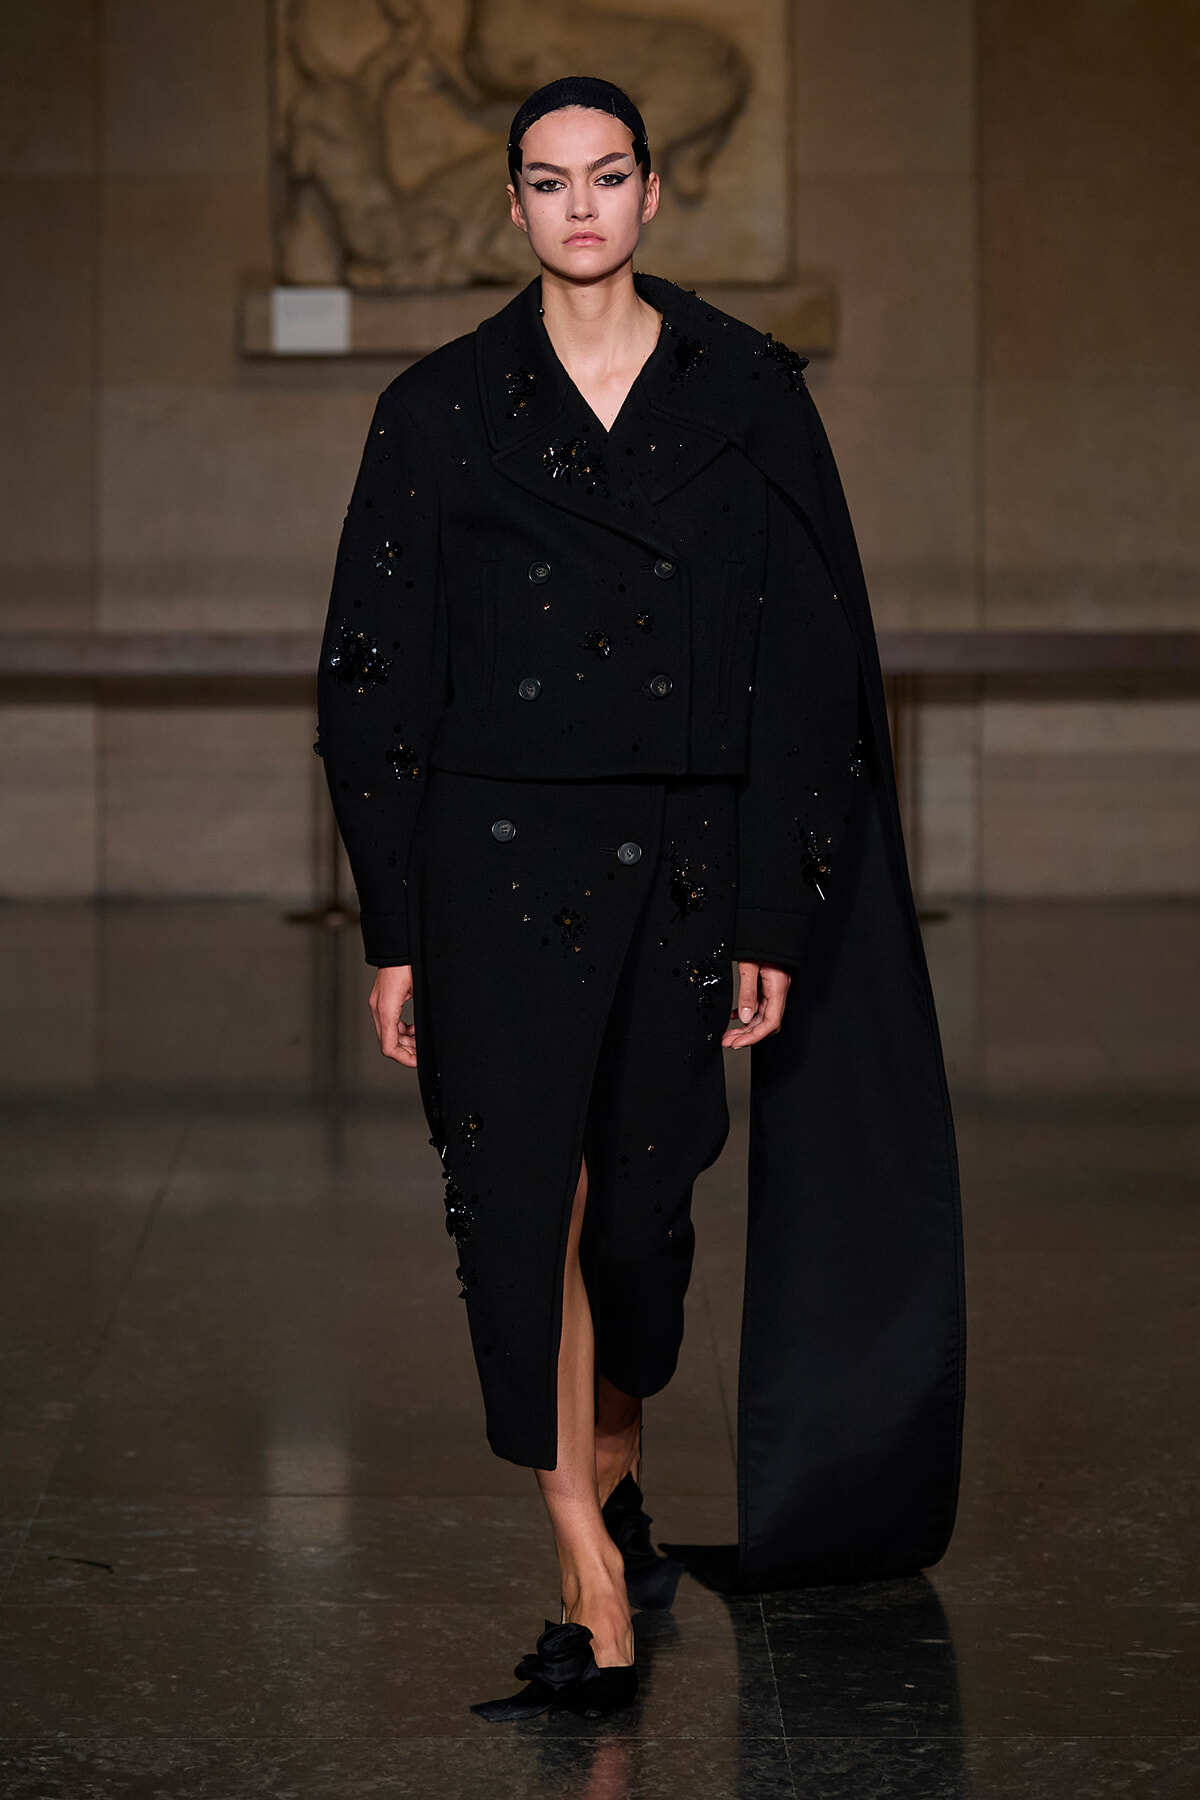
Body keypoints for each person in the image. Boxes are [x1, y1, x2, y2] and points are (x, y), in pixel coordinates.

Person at [317, 76, 965, 1723]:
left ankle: (614, 1472)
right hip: (492, 861)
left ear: (654, 194)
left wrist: (772, 912)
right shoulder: (439, 409)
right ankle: (585, 1577)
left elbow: (808, 668)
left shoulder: (744, 390)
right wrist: (395, 928)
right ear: (514, 207)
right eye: (549, 182)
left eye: (607, 176)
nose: (581, 207)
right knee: (520, 1203)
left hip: (686, 861)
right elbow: (374, 676)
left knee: (642, 1221)